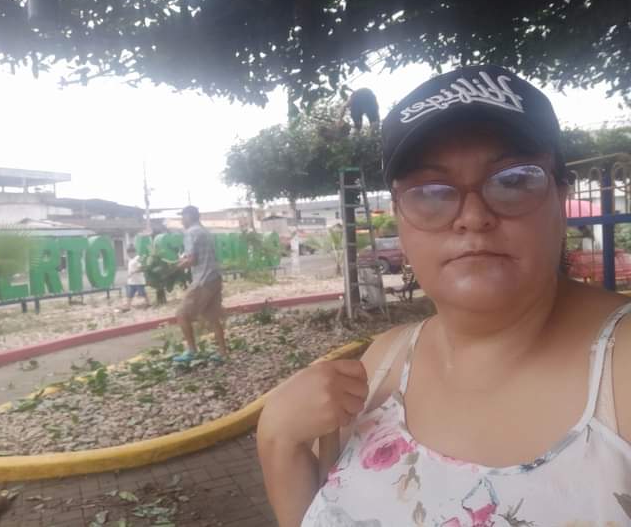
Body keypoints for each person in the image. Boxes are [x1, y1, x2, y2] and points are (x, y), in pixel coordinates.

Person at [257, 65, 631, 526]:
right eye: (431, 192)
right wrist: (277, 441)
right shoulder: (381, 366)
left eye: (512, 180)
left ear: (560, 197)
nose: (472, 216)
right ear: (400, 218)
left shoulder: (621, 373)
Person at [173, 205, 228, 362]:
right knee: (212, 316)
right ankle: (222, 353)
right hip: (214, 278)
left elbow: (192, 260)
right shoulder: (205, 232)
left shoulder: (191, 233)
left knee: (181, 315)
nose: (181, 221)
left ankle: (192, 351)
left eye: (182, 217)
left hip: (203, 280)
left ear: (189, 216)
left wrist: (174, 268)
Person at [123, 245, 150, 311]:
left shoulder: (137, 258)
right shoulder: (130, 260)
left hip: (139, 281)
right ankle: (128, 307)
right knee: (129, 294)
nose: (128, 255)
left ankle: (148, 303)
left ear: (133, 252)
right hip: (132, 281)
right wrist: (129, 275)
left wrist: (134, 272)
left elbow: (141, 268)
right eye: (128, 253)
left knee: (142, 293)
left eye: (129, 253)